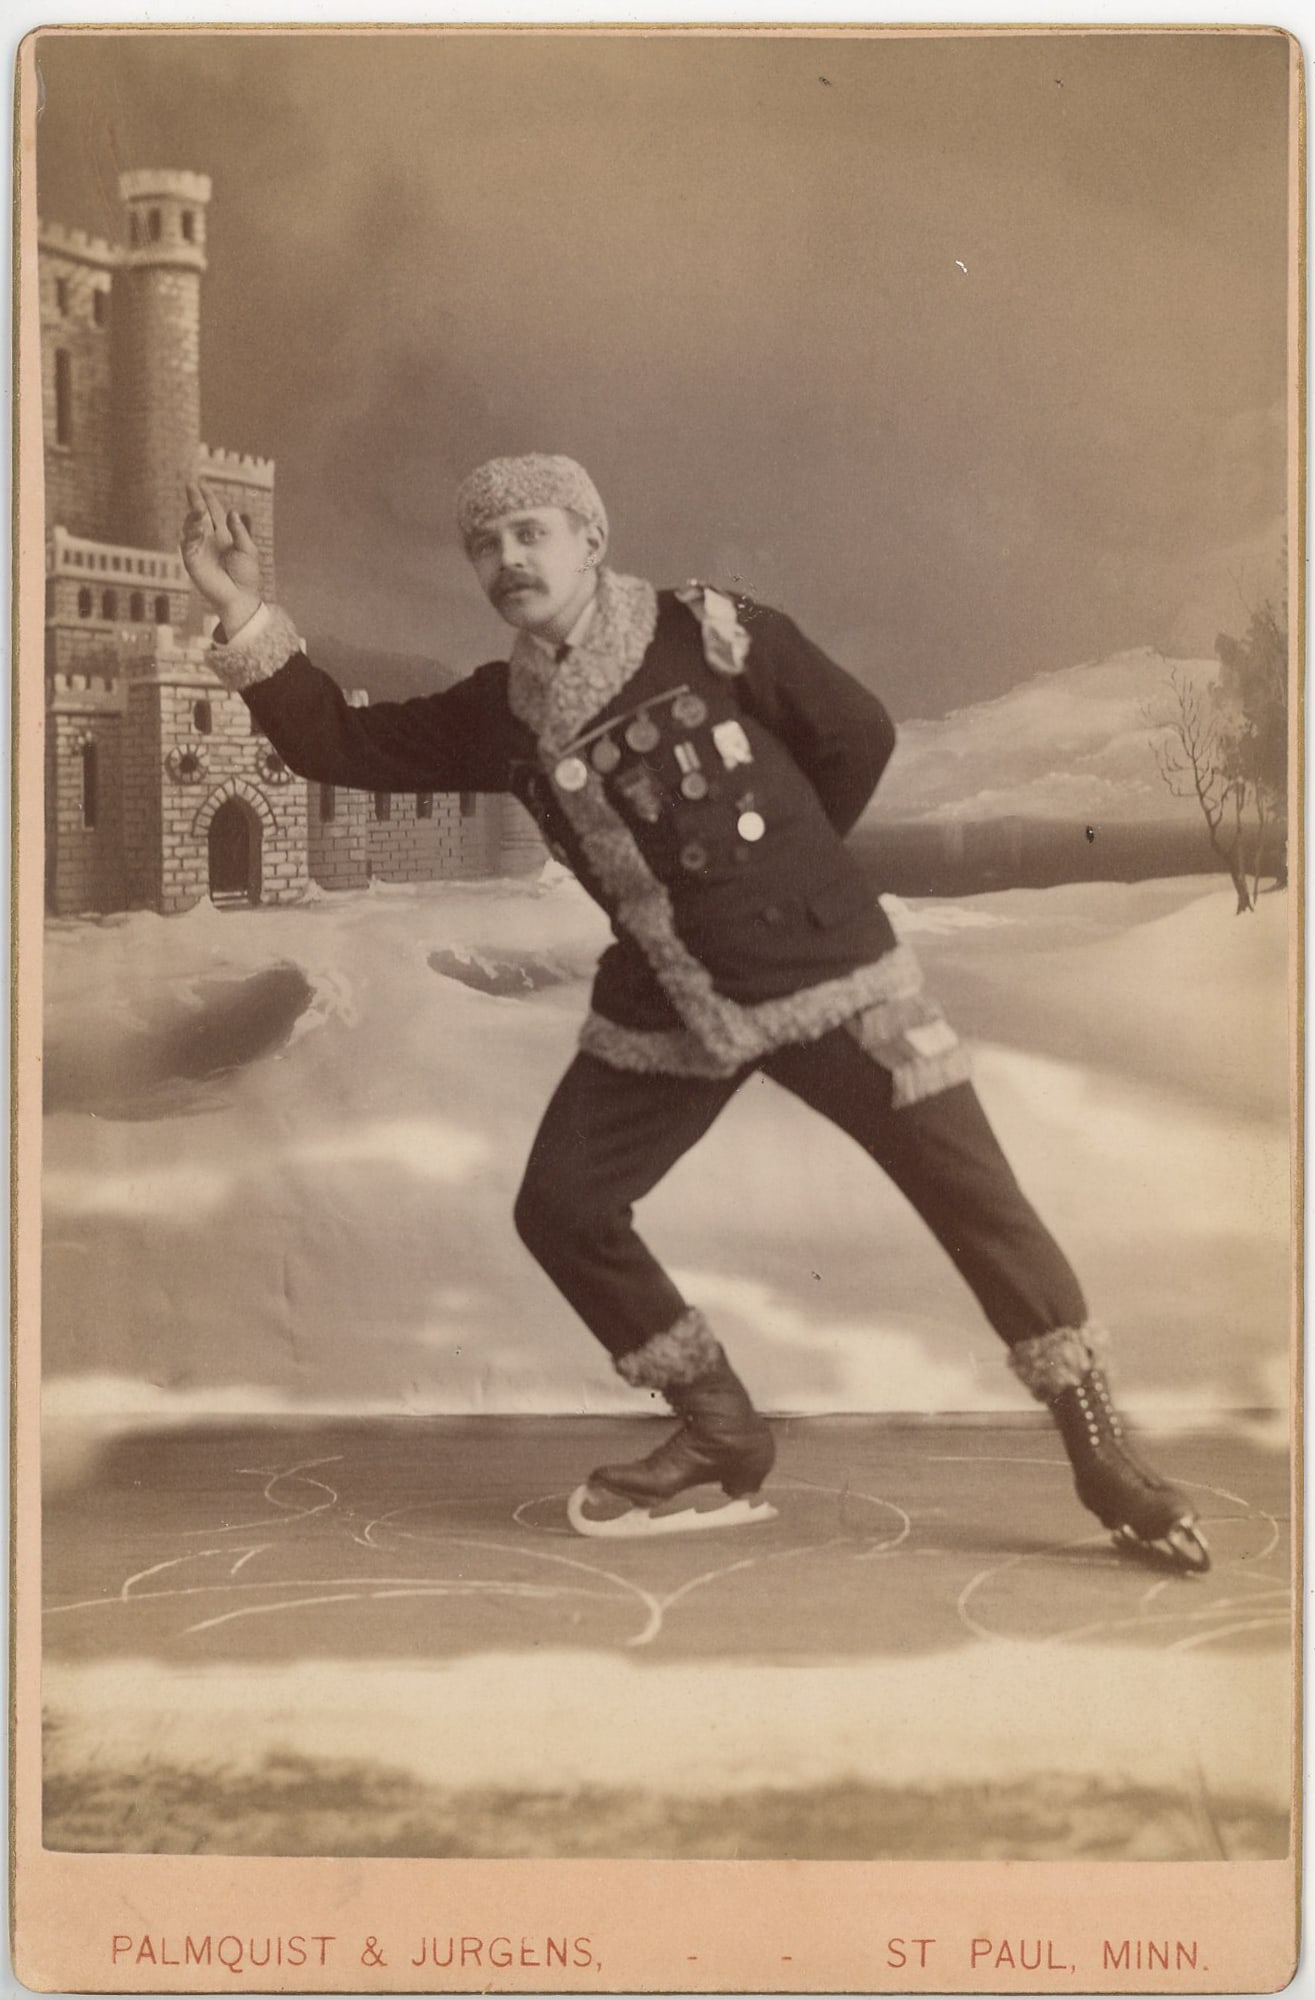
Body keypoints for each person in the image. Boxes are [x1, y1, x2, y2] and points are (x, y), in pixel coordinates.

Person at [181, 455, 1208, 1570]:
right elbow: (341, 744)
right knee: (564, 1206)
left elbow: (855, 735)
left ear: (590, 540)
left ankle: (1104, 1456)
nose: (507, 559)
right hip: (668, 995)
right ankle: (721, 1429)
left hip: (829, 971)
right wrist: (241, 609)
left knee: (976, 1202)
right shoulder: (498, 707)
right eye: (484, 544)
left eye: (530, 533)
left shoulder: (711, 631)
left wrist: (781, 880)